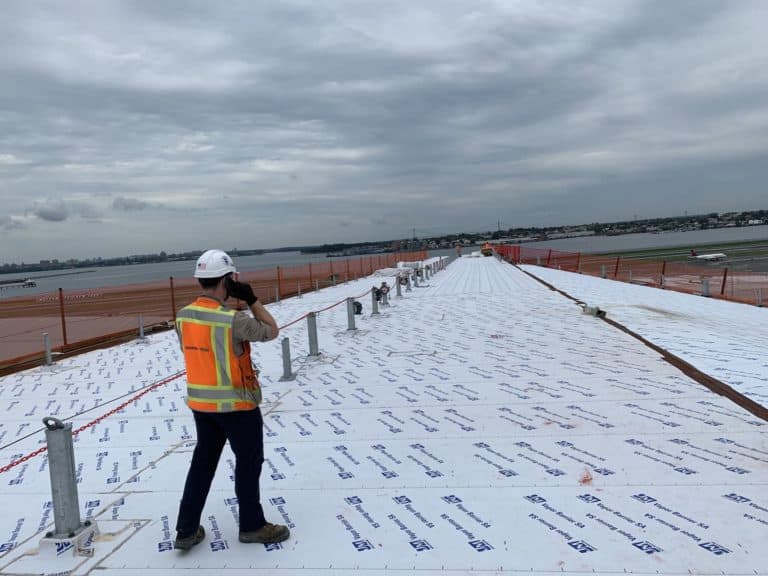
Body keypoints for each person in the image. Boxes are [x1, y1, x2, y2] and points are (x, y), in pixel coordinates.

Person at [173, 249, 290, 550]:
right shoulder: (233, 320)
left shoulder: (183, 317)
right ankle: (252, 526)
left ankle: (186, 530)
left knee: (202, 464)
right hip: (237, 406)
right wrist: (252, 299)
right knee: (248, 464)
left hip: (202, 406)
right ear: (227, 280)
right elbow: (272, 331)